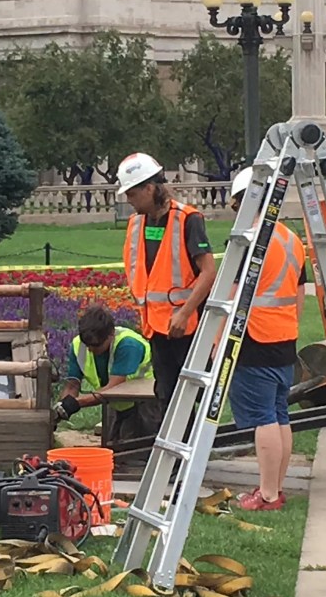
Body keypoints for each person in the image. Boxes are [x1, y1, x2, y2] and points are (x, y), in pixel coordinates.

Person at [116, 152, 218, 432]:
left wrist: (184, 313)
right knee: (168, 393)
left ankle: (193, 448)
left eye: (133, 193)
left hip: (186, 326)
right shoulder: (137, 223)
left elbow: (208, 272)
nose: (129, 200)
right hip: (156, 327)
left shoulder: (188, 220)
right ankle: (177, 453)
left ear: (150, 189)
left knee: (194, 391)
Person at [226, 166, 307, 511]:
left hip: (253, 338)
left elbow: (231, 295)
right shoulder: (291, 238)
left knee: (262, 418)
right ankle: (274, 488)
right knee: (279, 415)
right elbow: (300, 294)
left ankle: (268, 494)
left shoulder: (248, 239)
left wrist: (219, 344)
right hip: (283, 337)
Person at [52, 304, 155, 447]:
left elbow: (114, 387)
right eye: (87, 344)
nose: (90, 349)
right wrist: (63, 407)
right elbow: (72, 383)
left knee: (138, 451)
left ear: (111, 334)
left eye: (96, 345)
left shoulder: (128, 345)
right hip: (114, 402)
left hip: (145, 402)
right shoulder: (79, 345)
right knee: (112, 449)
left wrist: (77, 403)